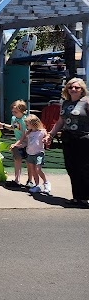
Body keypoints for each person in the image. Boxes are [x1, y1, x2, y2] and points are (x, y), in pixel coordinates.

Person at [48, 78, 89, 207]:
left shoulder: (86, 102)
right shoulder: (65, 103)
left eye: (77, 87)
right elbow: (60, 121)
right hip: (68, 138)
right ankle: (77, 197)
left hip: (83, 138)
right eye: (70, 87)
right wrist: (51, 134)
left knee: (83, 168)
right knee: (71, 167)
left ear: (82, 90)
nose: (73, 89)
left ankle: (84, 198)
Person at [12, 114, 50, 195]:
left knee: (38, 169)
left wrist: (46, 140)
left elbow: (47, 138)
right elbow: (24, 142)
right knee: (33, 170)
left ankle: (46, 182)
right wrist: (17, 145)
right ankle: (37, 185)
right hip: (30, 153)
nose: (26, 126)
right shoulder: (27, 132)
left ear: (33, 124)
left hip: (39, 153)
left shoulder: (42, 131)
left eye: (27, 124)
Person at [0, 100, 30, 187]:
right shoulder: (14, 119)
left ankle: (30, 180)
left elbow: (25, 134)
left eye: (15, 111)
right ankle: (16, 180)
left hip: (27, 143)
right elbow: (14, 127)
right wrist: (3, 125)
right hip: (18, 143)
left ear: (22, 111)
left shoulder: (25, 120)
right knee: (17, 160)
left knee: (29, 162)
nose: (13, 113)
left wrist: (21, 144)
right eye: (12, 111)